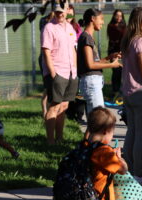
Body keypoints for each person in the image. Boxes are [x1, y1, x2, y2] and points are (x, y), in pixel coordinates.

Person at [41, 0, 78, 145]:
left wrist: (74, 69)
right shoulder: (49, 28)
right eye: (57, 11)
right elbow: (46, 51)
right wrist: (53, 73)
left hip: (71, 72)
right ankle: (50, 141)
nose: (59, 14)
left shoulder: (70, 27)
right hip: (57, 72)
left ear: (68, 10)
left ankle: (60, 138)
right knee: (55, 106)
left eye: (62, 11)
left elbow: (73, 50)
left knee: (64, 106)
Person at [77, 8, 121, 114]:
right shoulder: (86, 37)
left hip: (92, 82)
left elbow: (94, 61)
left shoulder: (88, 37)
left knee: (95, 120)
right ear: (92, 19)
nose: (103, 22)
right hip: (91, 82)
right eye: (101, 19)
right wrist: (111, 65)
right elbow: (90, 65)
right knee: (99, 119)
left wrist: (108, 58)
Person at [120, 7, 142, 180]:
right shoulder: (141, 42)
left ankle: (128, 168)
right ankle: (139, 172)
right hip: (140, 93)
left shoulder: (128, 41)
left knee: (132, 132)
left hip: (128, 92)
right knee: (141, 134)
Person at [87, 107, 128, 200]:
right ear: (106, 131)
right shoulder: (104, 152)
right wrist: (118, 158)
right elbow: (123, 170)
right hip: (99, 196)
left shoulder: (83, 147)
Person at [107, 9, 126, 97]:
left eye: (120, 16)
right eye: (117, 15)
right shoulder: (110, 26)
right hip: (114, 52)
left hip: (124, 52)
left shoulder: (125, 26)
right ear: (114, 16)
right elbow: (113, 40)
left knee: (123, 71)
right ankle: (115, 90)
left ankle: (122, 91)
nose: (119, 17)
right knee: (116, 71)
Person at [39, 11, 55, 119]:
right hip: (46, 58)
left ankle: (48, 111)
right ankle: (45, 110)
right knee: (47, 87)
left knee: (49, 88)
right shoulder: (44, 21)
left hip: (56, 59)